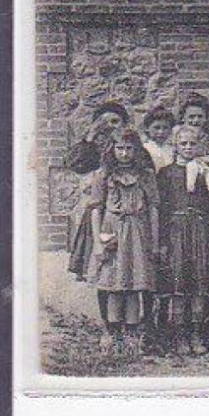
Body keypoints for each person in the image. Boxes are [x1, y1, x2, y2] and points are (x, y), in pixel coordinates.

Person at [85, 131, 158, 354]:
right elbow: (96, 209)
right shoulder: (103, 175)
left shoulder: (145, 175)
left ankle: (132, 336)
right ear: (111, 150)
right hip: (112, 230)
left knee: (134, 286)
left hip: (138, 232)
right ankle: (113, 334)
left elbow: (154, 209)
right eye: (119, 148)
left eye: (129, 148)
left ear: (137, 150)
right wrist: (98, 242)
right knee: (114, 285)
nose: (124, 153)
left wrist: (154, 241)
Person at [156, 124, 209, 355]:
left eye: (192, 143)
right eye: (183, 143)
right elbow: (162, 209)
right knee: (177, 283)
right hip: (175, 232)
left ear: (199, 146)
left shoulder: (206, 172)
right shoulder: (166, 173)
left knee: (199, 283)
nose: (187, 147)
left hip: (199, 231)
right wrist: (162, 242)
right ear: (175, 146)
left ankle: (196, 334)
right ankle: (179, 336)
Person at [66, 100, 132, 283]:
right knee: (102, 271)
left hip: (125, 212)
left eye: (115, 122)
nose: (110, 127)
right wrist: (91, 134)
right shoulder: (93, 149)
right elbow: (74, 164)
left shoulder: (129, 148)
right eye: (106, 123)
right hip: (99, 213)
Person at [141, 106, 175, 173]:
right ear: (147, 128)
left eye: (165, 128)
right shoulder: (144, 148)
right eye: (157, 128)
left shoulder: (174, 150)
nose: (161, 132)